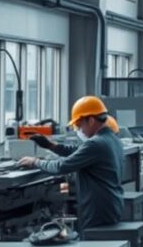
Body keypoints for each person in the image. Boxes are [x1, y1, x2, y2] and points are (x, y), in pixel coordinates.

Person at [20, 96, 124, 231]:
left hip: (98, 210)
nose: (80, 130)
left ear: (91, 121)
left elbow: (61, 167)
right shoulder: (112, 139)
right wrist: (51, 145)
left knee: (92, 241)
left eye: (80, 125)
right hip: (110, 205)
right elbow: (78, 151)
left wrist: (35, 162)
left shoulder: (96, 143)